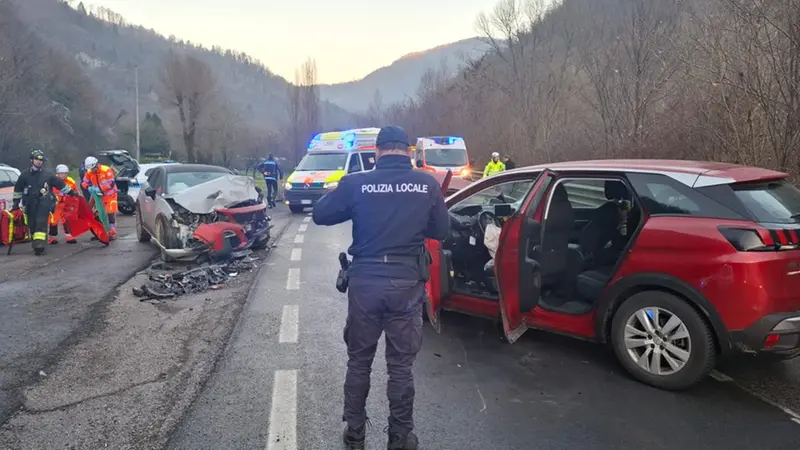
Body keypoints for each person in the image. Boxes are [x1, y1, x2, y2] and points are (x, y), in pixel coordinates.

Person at [313, 125, 449, 450]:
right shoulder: (427, 184)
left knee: (359, 361)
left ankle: (355, 433)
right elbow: (441, 230)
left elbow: (320, 214)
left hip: (365, 284)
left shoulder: (356, 183)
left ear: (377, 152)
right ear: (408, 152)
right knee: (400, 366)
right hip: (405, 285)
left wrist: (347, 193)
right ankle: (400, 437)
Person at [12, 150, 78, 255]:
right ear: (32, 160)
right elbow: (18, 190)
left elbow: (60, 185)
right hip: (29, 203)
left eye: (41, 160)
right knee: (32, 224)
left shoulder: (48, 174)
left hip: (44, 202)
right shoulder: (24, 175)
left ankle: (40, 245)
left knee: (41, 222)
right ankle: (36, 243)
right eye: (37, 159)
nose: (39, 162)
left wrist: (72, 192)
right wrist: (16, 203)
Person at [81, 156, 119, 239]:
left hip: (110, 195)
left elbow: (111, 183)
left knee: (110, 213)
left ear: (96, 165)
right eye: (91, 169)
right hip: (98, 196)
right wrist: (88, 187)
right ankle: (102, 232)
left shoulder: (106, 170)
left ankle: (112, 232)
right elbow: (84, 182)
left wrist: (100, 188)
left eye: (93, 168)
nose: (92, 170)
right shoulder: (89, 172)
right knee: (97, 213)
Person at [48, 164, 78, 244]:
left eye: (65, 173)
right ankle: (52, 237)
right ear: (57, 173)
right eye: (61, 173)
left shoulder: (71, 181)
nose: (64, 175)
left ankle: (69, 236)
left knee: (67, 220)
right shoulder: (52, 181)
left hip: (67, 204)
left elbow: (74, 192)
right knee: (53, 221)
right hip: (56, 204)